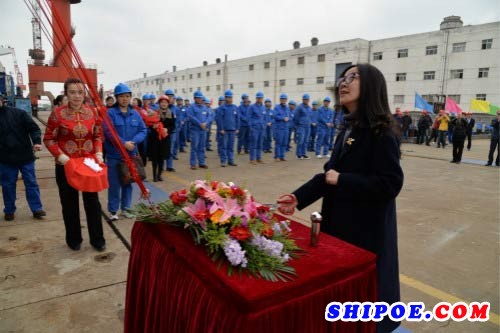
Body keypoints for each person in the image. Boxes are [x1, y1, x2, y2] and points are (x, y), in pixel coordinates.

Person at [277, 64, 403, 333]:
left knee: (367, 301)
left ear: (371, 85)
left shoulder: (381, 131)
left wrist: (343, 179)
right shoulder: (348, 128)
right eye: (342, 78)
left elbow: (391, 183)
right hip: (340, 225)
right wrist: (296, 198)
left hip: (365, 231)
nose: (343, 83)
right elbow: (328, 175)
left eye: (352, 77)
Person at [43, 78, 105, 251]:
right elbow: (49, 138)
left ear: (84, 93)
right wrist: (62, 157)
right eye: (72, 92)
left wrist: (99, 152)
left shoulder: (92, 112)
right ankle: (74, 239)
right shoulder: (57, 114)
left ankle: (97, 239)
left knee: (92, 202)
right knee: (69, 203)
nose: (77, 96)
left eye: (80, 92)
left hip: (88, 164)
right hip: (66, 165)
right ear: (66, 93)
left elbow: (98, 135)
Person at [103, 83, 147, 221]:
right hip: (115, 156)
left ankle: (126, 209)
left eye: (127, 96)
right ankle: (113, 210)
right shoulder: (110, 113)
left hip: (131, 155)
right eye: (122, 96)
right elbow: (109, 132)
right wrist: (123, 143)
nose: (125, 99)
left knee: (128, 183)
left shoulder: (135, 113)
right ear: (117, 97)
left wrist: (133, 142)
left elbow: (143, 130)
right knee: (114, 184)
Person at [0, 95, 45, 221]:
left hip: (25, 156)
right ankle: (9, 210)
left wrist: (36, 141)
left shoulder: (19, 113)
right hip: (5, 159)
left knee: (31, 182)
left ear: (2, 100)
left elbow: (33, 128)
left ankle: (36, 209)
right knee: (7, 185)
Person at [149, 95, 175, 177]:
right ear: (159, 103)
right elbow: (149, 123)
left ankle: (159, 175)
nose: (164, 104)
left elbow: (173, 126)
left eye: (165, 102)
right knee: (155, 157)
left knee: (162, 157)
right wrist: (153, 127)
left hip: (165, 138)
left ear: (168, 104)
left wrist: (167, 129)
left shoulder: (171, 113)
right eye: (162, 102)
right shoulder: (154, 113)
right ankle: (154, 175)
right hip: (155, 138)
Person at [187, 91, 210, 169]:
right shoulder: (191, 107)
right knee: (194, 147)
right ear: (195, 98)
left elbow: (209, 116)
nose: (200, 99)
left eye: (201, 98)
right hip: (195, 130)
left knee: (202, 147)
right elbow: (191, 117)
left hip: (203, 130)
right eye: (198, 98)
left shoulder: (204, 107)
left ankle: (202, 162)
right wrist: (200, 123)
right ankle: (193, 164)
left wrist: (206, 123)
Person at [216, 90, 239, 167]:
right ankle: (223, 161)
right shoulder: (222, 108)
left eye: (230, 97)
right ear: (225, 98)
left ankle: (231, 160)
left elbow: (237, 118)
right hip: (225, 130)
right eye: (228, 97)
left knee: (231, 147)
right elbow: (220, 119)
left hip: (232, 130)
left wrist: (237, 128)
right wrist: (221, 129)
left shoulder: (235, 107)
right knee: (224, 146)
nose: (229, 98)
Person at [248, 91, 266, 164]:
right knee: (253, 144)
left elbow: (265, 117)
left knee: (260, 144)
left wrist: (264, 125)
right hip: (255, 128)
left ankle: (259, 158)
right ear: (256, 98)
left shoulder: (263, 107)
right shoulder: (252, 107)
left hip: (261, 128)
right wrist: (251, 127)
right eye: (259, 98)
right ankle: (252, 159)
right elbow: (248, 118)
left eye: (261, 98)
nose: (260, 99)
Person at [294, 94, 312, 159]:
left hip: (308, 127)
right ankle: (299, 154)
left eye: (307, 100)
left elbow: (310, 116)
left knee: (306, 141)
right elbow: (295, 117)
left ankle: (304, 154)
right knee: (300, 140)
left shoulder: (309, 108)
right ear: (303, 100)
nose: (306, 101)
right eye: (305, 99)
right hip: (301, 126)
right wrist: (298, 124)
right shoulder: (299, 107)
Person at [273, 93, 290, 162]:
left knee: (284, 143)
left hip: (286, 128)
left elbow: (289, 116)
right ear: (280, 100)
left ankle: (282, 156)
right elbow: (275, 116)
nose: (283, 100)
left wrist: (288, 118)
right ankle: (277, 156)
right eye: (282, 99)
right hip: (279, 128)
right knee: (278, 143)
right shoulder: (277, 107)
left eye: (284, 99)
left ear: (286, 100)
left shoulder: (287, 108)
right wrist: (283, 118)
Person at [165, 90, 179, 172]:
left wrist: (176, 128)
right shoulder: (160, 107)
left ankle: (169, 166)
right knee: (163, 149)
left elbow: (178, 120)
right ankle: (161, 166)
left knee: (171, 149)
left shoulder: (175, 108)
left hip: (173, 132)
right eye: (168, 96)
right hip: (163, 132)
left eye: (171, 97)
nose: (170, 98)